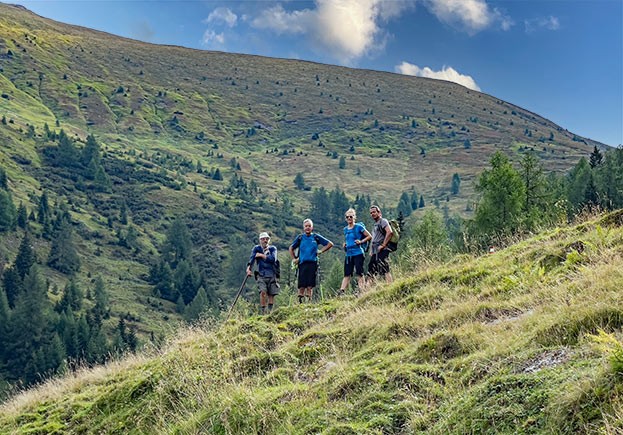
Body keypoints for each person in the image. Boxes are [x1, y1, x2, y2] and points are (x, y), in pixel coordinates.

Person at [289, 218, 333, 303]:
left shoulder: (316, 237)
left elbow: (330, 244)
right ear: (303, 228)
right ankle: (300, 303)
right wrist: (294, 259)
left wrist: (321, 251)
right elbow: (291, 248)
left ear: (312, 227)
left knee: (310, 285)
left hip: (313, 263)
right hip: (302, 264)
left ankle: (309, 302)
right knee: (301, 285)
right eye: (306, 226)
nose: (307, 228)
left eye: (309, 226)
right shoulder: (300, 238)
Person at [339, 208, 371, 295]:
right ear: (345, 218)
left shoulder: (359, 227)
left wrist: (361, 241)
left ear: (354, 217)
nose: (349, 218)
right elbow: (348, 239)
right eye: (347, 217)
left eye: (351, 216)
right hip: (348, 254)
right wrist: (345, 244)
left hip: (358, 253)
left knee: (359, 272)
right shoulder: (345, 229)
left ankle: (361, 291)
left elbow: (369, 236)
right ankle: (341, 292)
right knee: (347, 273)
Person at [246, 232, 279, 314]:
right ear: (260, 240)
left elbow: (273, 259)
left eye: (267, 239)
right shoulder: (256, 249)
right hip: (261, 274)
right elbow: (252, 259)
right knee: (263, 292)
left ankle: (270, 312)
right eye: (263, 239)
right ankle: (263, 312)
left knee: (271, 294)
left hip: (272, 274)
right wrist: (248, 269)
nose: (265, 241)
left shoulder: (272, 249)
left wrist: (262, 255)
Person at [368, 205, 393, 283]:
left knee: (385, 268)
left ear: (379, 212)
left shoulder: (383, 221)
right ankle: (367, 290)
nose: (372, 214)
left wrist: (383, 245)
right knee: (371, 270)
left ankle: (390, 285)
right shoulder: (375, 224)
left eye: (374, 212)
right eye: (371, 213)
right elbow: (374, 239)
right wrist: (371, 251)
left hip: (382, 249)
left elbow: (390, 232)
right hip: (375, 251)